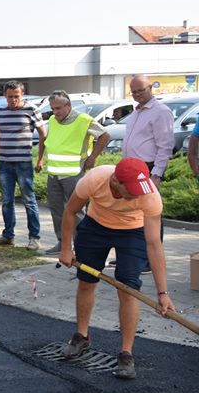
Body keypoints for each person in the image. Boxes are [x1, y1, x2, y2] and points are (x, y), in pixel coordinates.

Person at [58, 158, 175, 380]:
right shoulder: (95, 179)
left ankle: (126, 353)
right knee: (86, 281)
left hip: (133, 232)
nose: (136, 195)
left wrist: (163, 293)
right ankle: (81, 336)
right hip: (95, 226)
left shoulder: (150, 196)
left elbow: (153, 244)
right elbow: (70, 212)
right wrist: (66, 248)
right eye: (130, 190)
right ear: (115, 181)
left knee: (128, 287)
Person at [34, 91, 110, 255]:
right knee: (56, 209)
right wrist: (40, 160)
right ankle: (62, 242)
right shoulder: (53, 120)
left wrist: (92, 158)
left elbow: (104, 135)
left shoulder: (84, 120)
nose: (55, 112)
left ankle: (81, 243)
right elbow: (47, 141)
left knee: (76, 210)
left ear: (68, 106)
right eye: (53, 108)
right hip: (53, 173)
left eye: (59, 108)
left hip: (74, 173)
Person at [0, 80, 46, 250]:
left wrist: (40, 158)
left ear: (22, 95)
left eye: (16, 96)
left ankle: (34, 237)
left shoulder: (31, 109)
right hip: (4, 163)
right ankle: (8, 235)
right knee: (6, 201)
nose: (13, 100)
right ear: (4, 96)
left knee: (29, 200)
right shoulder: (0, 111)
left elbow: (43, 135)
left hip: (23, 163)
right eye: (10, 96)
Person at [122, 75, 174, 186]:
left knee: (147, 202)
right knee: (133, 203)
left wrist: (156, 174)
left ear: (150, 88)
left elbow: (165, 146)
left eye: (141, 90)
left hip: (147, 169)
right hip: (130, 168)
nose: (137, 94)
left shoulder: (161, 111)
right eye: (134, 92)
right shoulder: (136, 112)